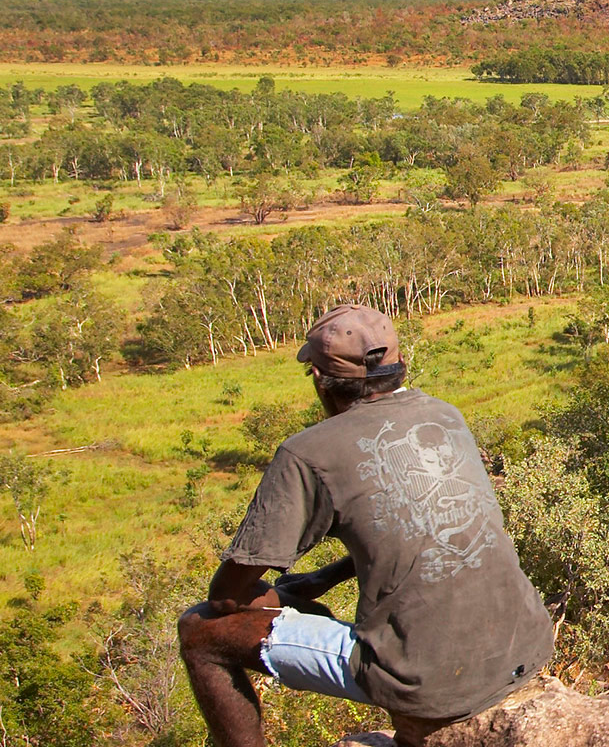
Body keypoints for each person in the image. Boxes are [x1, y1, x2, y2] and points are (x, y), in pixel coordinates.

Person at [177, 304, 554, 747]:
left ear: (320, 381)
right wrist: (318, 581)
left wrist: (289, 591)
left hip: (429, 681)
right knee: (307, 609)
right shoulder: (445, 414)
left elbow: (226, 597)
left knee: (199, 631)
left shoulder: (308, 453)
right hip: (526, 644)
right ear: (401, 365)